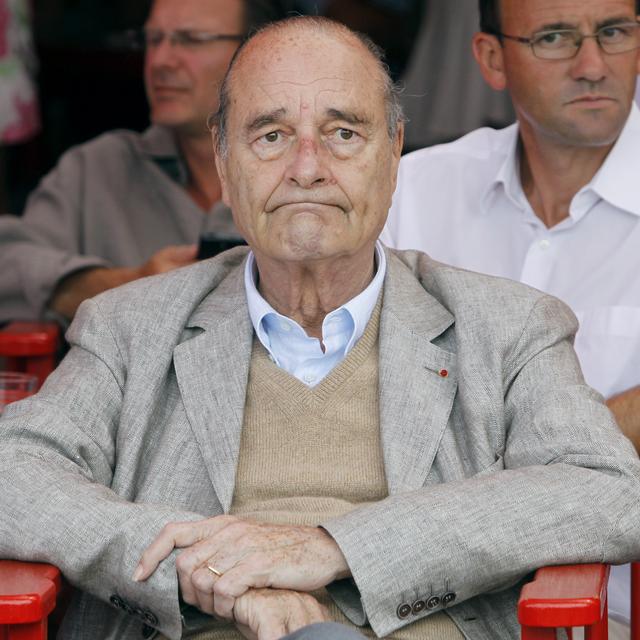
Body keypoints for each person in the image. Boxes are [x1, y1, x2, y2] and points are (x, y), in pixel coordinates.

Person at [2, 14, 640, 640]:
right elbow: (13, 472)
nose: (307, 167)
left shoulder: (508, 327)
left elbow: (607, 488)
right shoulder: (130, 326)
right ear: (223, 162)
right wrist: (185, 565)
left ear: (394, 154)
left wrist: (338, 548)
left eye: (343, 133)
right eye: (271, 136)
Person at [381, 0, 640, 633]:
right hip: (408, 596)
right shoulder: (410, 191)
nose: (592, 65)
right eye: (554, 38)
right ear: (492, 59)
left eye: (615, 32)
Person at [0, 0, 283, 324]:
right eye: (153, 39)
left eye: (191, 39)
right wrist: (116, 286)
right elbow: (7, 262)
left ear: (259, 52)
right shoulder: (98, 169)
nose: (160, 60)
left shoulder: (305, 173)